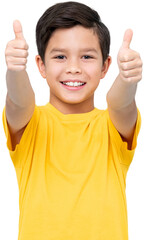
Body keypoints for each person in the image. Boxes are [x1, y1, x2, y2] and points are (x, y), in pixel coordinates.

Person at [3, 1, 142, 240]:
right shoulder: (31, 124)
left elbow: (120, 103)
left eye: (87, 56)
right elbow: (18, 101)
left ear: (105, 66)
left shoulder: (111, 126)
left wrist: (128, 79)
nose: (74, 68)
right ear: (41, 65)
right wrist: (15, 71)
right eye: (60, 56)